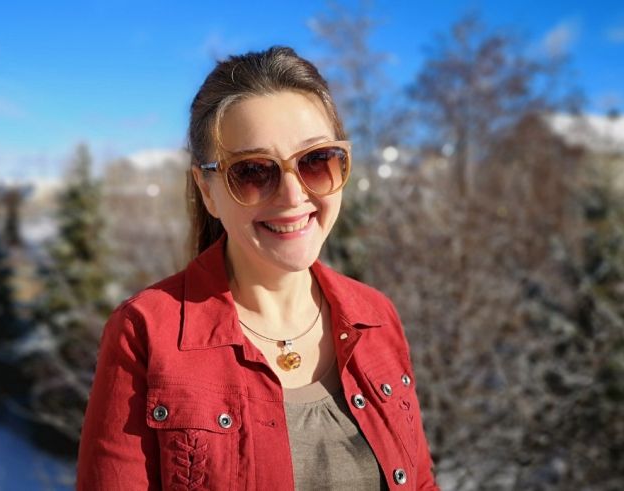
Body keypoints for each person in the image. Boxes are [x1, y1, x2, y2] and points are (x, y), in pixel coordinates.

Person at [77, 46, 439, 490]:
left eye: (316, 161)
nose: (293, 195)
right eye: (252, 171)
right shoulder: (146, 332)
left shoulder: (377, 317)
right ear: (207, 190)